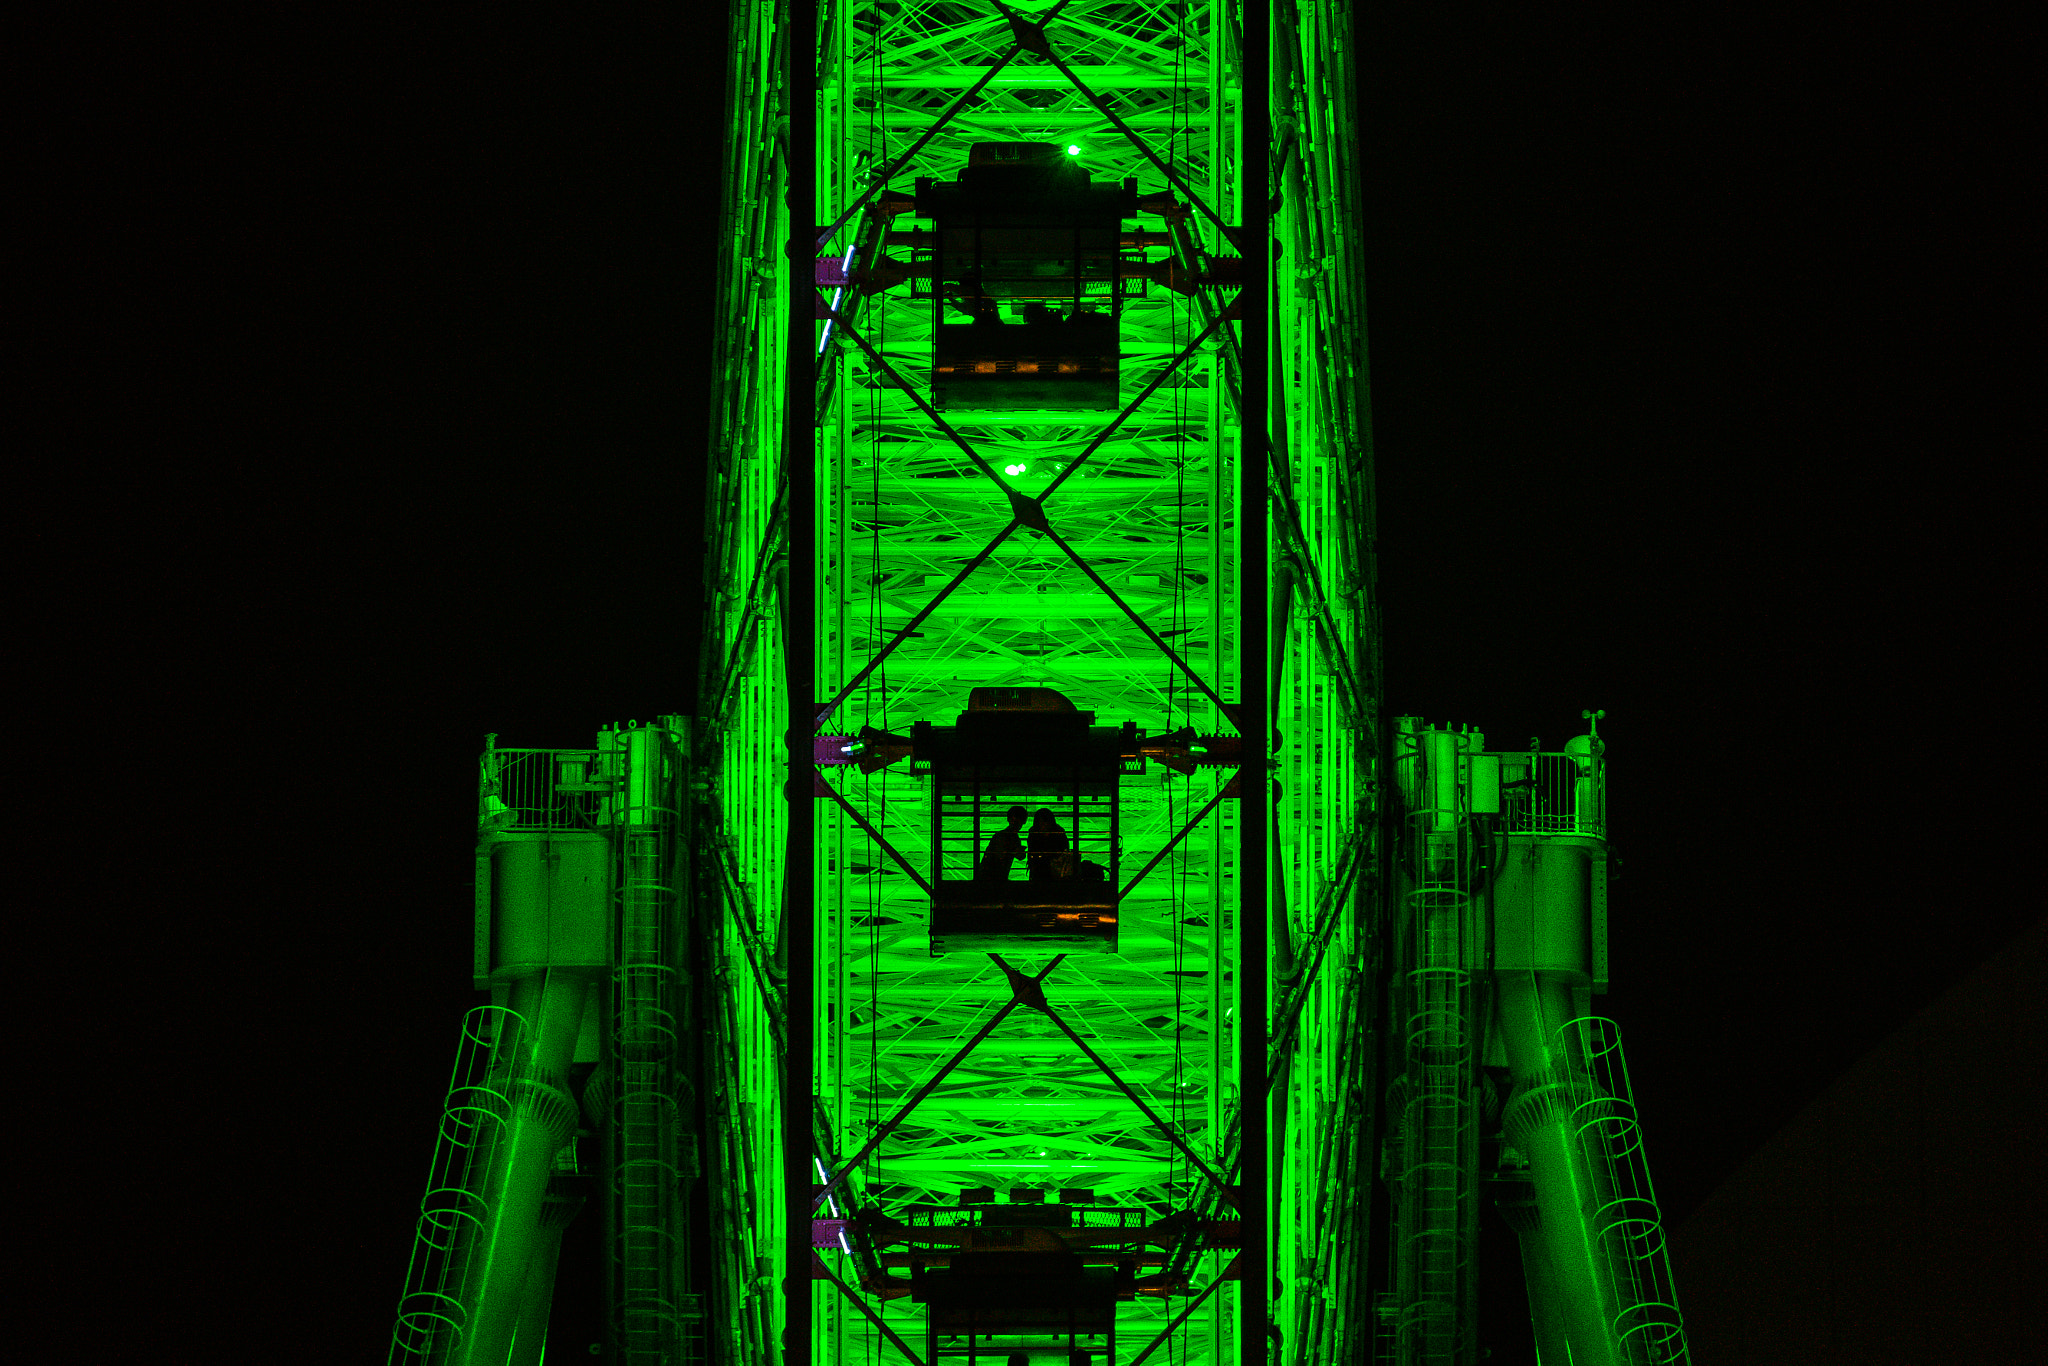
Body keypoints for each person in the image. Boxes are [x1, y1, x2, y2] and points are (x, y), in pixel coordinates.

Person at [977, 805, 1028, 880]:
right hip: (993, 877)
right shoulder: (1012, 838)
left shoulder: (1004, 836)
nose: (1017, 825)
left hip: (991, 877)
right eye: (1016, 822)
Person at [1027, 808, 1073, 880]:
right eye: (1041, 823)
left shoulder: (1058, 832)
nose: (1044, 825)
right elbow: (1031, 850)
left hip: (1056, 868)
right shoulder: (1033, 832)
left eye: (1046, 822)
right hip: (1038, 868)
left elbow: (1065, 850)